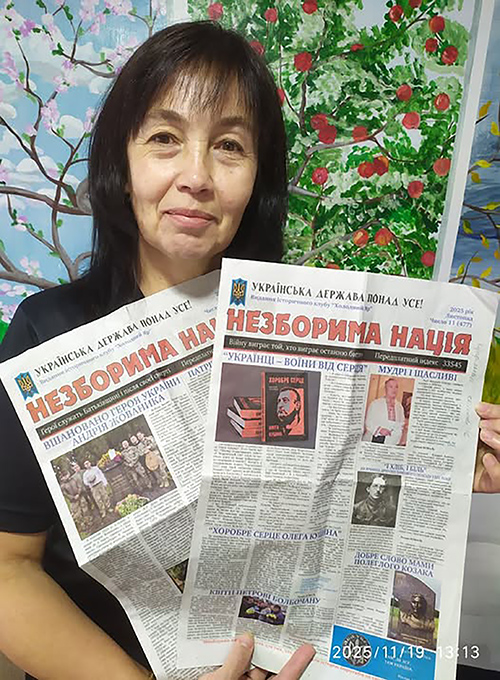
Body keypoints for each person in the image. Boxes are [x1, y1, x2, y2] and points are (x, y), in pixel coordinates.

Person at [0, 19, 316, 680]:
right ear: (123, 165)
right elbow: (7, 572)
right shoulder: (48, 332)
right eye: (165, 138)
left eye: (229, 146)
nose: (196, 176)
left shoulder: (301, 332)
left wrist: (463, 467)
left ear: (257, 177)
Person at [363, 377, 405, 445]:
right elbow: (368, 422)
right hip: (375, 439)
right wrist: (380, 430)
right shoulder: (375, 404)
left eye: (396, 387)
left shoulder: (399, 407)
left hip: (391, 442)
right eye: (391, 387)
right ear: (385, 388)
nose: (394, 389)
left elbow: (401, 424)